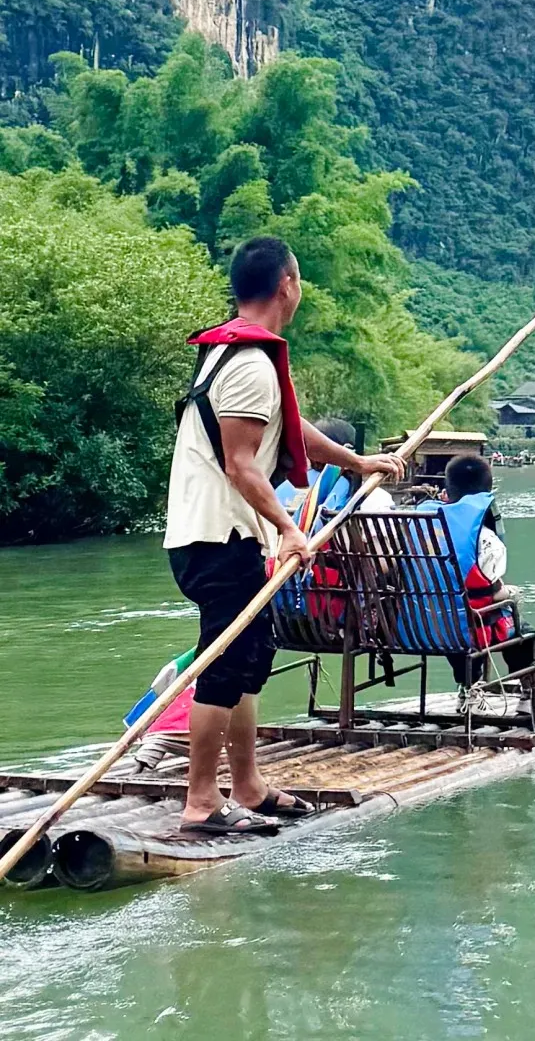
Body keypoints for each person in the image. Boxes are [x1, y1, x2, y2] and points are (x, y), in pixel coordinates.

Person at [164, 236, 405, 836]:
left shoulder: (234, 353)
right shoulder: (247, 363)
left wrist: (357, 463)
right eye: (299, 284)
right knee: (224, 663)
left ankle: (246, 785)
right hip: (217, 537)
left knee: (249, 658)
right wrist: (292, 529)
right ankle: (201, 799)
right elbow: (242, 463)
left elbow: (286, 430)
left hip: (223, 535)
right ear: (287, 285)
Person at [430, 454, 535, 716]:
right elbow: (491, 593)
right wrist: (511, 594)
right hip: (470, 627)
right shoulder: (484, 537)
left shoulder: (422, 529)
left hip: (427, 627)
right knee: (518, 621)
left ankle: (467, 689)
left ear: (447, 491)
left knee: (457, 617)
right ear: (488, 491)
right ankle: (528, 694)